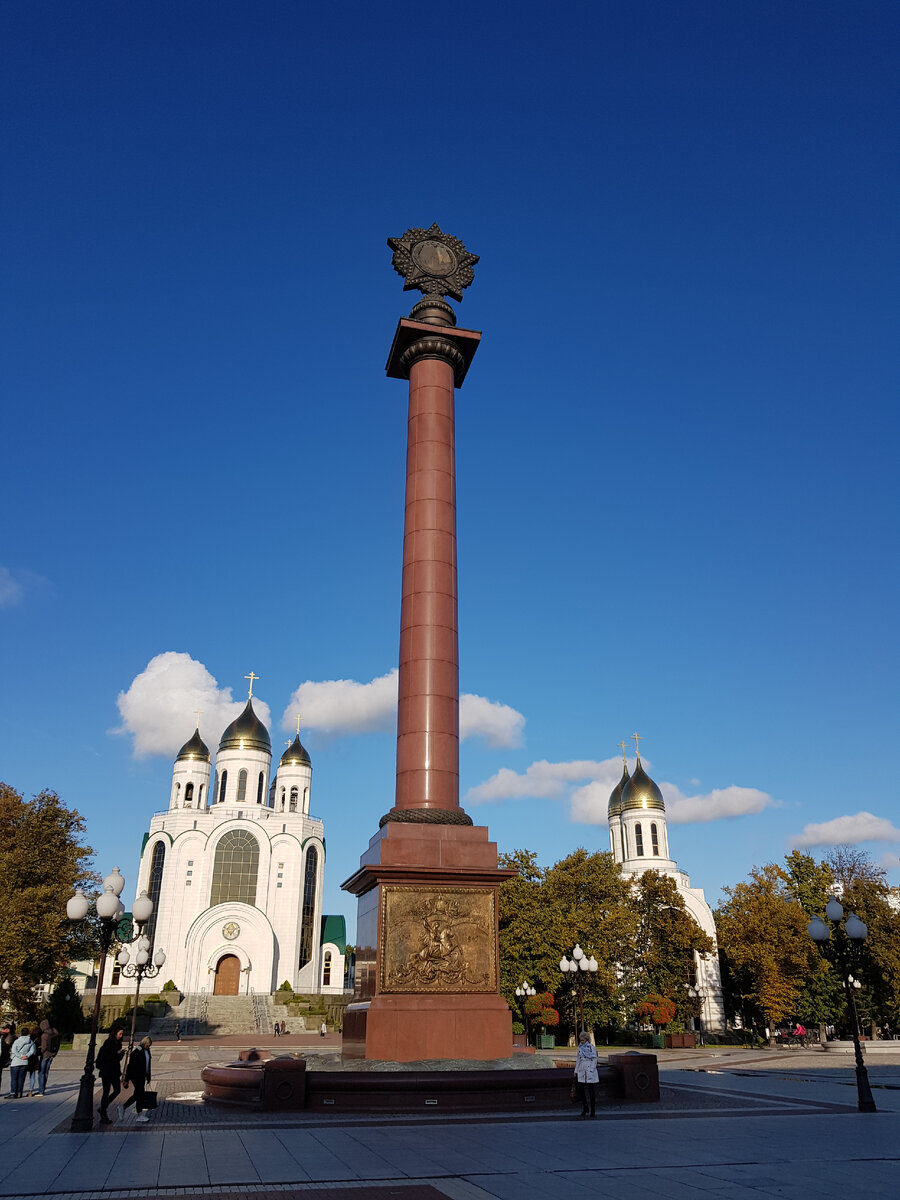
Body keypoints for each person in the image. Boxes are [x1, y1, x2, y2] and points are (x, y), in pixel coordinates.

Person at [96, 1027, 125, 1124]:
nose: (121, 1036)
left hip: (114, 1071)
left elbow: (116, 1058)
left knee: (117, 1090)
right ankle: (103, 1113)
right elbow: (108, 1057)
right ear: (115, 1033)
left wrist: (120, 1054)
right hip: (107, 1071)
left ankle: (104, 1106)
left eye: (122, 1034)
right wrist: (118, 1054)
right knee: (106, 1092)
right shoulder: (108, 1043)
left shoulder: (117, 1043)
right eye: (120, 1034)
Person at [122, 1036, 153, 1122]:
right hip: (136, 1076)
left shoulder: (147, 1051)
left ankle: (123, 1107)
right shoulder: (137, 1051)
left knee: (138, 1094)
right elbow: (130, 1066)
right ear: (144, 1043)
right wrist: (126, 1079)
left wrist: (148, 1076)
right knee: (140, 1094)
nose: (148, 1047)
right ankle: (139, 1114)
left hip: (142, 1075)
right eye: (147, 1045)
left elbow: (147, 1064)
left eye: (149, 1045)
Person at [573, 1030, 599, 1118]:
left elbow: (594, 1059)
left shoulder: (591, 1048)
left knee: (591, 1092)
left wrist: (591, 1069)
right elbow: (578, 1060)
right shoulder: (580, 1048)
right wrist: (575, 1071)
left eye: (583, 1040)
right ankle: (585, 1107)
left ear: (587, 1040)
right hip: (581, 1071)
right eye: (581, 1040)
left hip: (589, 1072)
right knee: (581, 1091)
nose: (581, 1042)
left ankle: (593, 1110)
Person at [8, 1027, 35, 1099]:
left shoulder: (17, 1041)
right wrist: (26, 1056)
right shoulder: (30, 1041)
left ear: (21, 1032)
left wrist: (20, 1056)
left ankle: (13, 1093)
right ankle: (20, 1092)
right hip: (24, 1062)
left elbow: (14, 1050)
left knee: (14, 1079)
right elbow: (32, 1051)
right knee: (21, 1078)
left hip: (15, 1062)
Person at [37, 1019, 59, 1095]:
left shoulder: (44, 1035)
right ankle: (43, 1087)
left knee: (41, 1072)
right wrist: (55, 1052)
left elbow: (44, 1047)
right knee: (46, 1072)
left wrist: (40, 1052)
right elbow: (58, 1043)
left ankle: (41, 1090)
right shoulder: (55, 1032)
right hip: (52, 1054)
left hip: (45, 1055)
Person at [0, 1023, 12, 1095]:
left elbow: (6, 1047)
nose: (2, 1030)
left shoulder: (8, 1037)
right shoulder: (3, 1036)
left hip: (1, 1059)